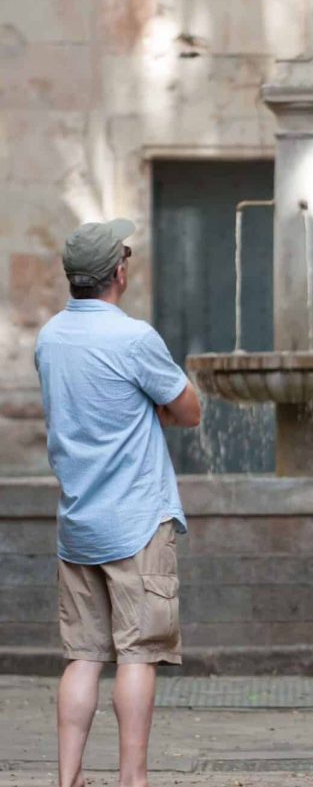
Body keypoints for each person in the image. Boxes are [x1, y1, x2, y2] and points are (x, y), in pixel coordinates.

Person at [35, 219, 202, 787]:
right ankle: (134, 779)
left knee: (82, 655)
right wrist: (145, 413)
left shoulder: (50, 338)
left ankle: (68, 778)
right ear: (119, 273)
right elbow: (190, 410)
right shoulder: (134, 338)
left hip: (78, 522)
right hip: (136, 521)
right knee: (137, 654)